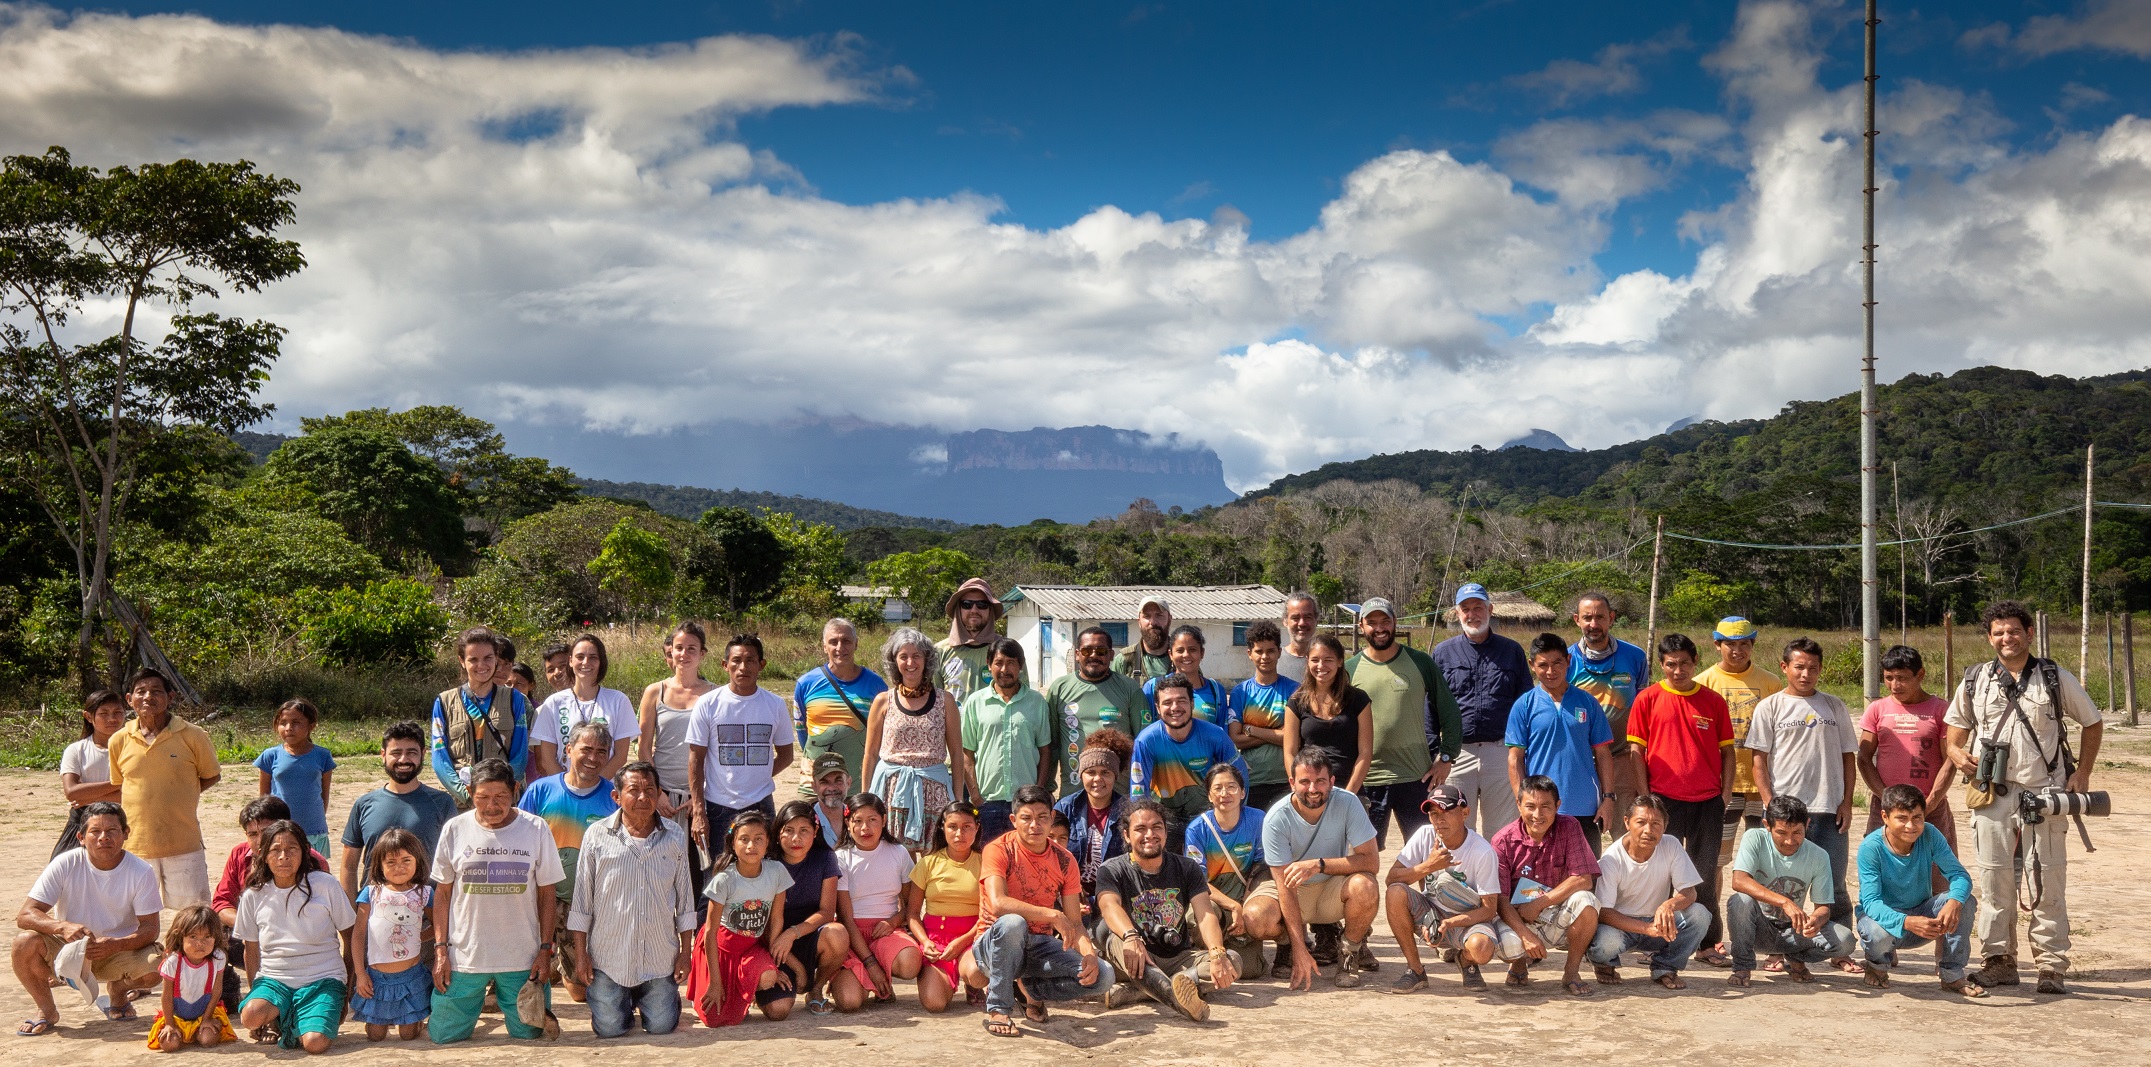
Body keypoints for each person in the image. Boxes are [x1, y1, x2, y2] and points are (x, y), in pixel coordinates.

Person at [1943, 600, 2103, 993]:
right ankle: (1999, 961)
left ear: (2029, 633)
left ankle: (2051, 967)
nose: (2006, 638)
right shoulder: (1976, 679)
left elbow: (2092, 721)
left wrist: (2082, 772)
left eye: (2013, 630)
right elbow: (1955, 727)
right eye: (1998, 632)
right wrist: (1955, 752)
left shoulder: (2053, 677)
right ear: (1989, 638)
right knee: (1993, 878)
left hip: (2044, 792)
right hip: (1991, 794)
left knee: (2047, 879)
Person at [427, 759, 564, 1044]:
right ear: (469, 792)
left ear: (515, 790)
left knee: (528, 1034)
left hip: (522, 958)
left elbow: (547, 894)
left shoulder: (536, 829)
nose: (492, 805)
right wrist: (440, 951)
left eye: (501, 796)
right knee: (444, 1036)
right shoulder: (455, 829)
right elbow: (442, 894)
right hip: (465, 956)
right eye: (483, 797)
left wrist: (545, 950)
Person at [1744, 636, 1859, 966]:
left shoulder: (1835, 706)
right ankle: (1778, 947)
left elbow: (1848, 757)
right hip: (1787, 815)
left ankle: (1839, 950)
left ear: (1820, 670)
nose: (1805, 674)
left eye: (1813, 668)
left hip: (1828, 809)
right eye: (1799, 667)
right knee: (1780, 885)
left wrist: (1846, 802)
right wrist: (1770, 804)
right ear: (1785, 667)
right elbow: (1759, 761)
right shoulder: (1770, 707)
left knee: (1834, 884)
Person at [1624, 633, 1734, 957]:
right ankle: (1656, 939)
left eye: (1684, 663)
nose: (1678, 670)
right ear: (1661, 664)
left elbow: (1728, 752)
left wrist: (1725, 794)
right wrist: (1646, 799)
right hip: (1663, 801)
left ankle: (1708, 943)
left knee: (1703, 874)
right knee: (1660, 876)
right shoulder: (1647, 699)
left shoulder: (1713, 701)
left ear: (1695, 662)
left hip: (1707, 802)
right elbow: (1636, 752)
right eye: (1671, 664)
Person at [11, 802, 163, 1035]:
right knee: (23, 943)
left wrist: (115, 944)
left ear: (125, 834)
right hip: (69, 950)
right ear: (81, 837)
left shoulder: (141, 871)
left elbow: (150, 928)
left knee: (158, 966)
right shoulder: (65, 863)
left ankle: (118, 992)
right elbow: (25, 914)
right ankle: (46, 1010)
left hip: (119, 952)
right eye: (95, 831)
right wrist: (62, 927)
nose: (104, 838)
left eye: (112, 830)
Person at [974, 784, 1113, 1038]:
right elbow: (998, 903)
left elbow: (1075, 923)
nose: (1034, 825)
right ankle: (998, 1008)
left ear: (1052, 818)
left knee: (1104, 976)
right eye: (1026, 818)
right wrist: (1051, 914)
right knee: (1013, 923)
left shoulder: (1064, 859)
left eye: (1042, 818)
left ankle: (1031, 990)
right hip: (994, 946)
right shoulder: (998, 849)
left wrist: (1089, 954)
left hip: (1038, 947)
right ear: (1014, 820)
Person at [1246, 749, 1381, 990]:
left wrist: (1319, 864)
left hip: (1331, 885)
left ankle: (1349, 951)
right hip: (1293, 889)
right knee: (1255, 918)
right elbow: (1284, 887)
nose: (1313, 789)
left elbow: (1371, 862)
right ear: (1292, 783)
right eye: (1304, 781)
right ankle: (1288, 944)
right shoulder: (1276, 818)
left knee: (1366, 886)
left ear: (1331, 781)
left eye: (1320, 781)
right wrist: (1299, 948)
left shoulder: (1348, 802)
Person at [1095, 799, 1237, 1022]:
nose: (1150, 834)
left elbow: (1205, 913)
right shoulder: (1112, 869)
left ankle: (1140, 992)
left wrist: (1217, 952)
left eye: (1157, 827)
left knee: (1232, 961)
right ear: (1126, 836)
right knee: (1119, 942)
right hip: (1133, 954)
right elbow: (1108, 906)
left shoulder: (1187, 867)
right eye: (1140, 829)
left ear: (1166, 832)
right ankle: (1182, 1002)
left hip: (1177, 956)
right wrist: (1131, 936)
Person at [1693, 615, 1782, 965]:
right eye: (1730, 643)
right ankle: (1711, 937)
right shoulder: (1702, 682)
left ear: (1753, 645)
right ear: (1717, 645)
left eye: (1744, 643)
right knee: (1714, 863)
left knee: (1768, 864)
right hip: (1722, 789)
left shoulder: (1771, 683)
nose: (1737, 650)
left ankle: (1773, 943)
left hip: (1763, 788)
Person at [1344, 597, 1462, 850]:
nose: (1379, 628)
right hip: (1369, 779)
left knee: (1425, 852)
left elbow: (1450, 711)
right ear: (1361, 627)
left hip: (1416, 777)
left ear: (1395, 622)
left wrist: (1446, 757)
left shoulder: (1420, 662)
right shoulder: (1349, 670)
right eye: (1372, 622)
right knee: (1365, 856)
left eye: (1385, 621)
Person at [232, 819, 358, 1054]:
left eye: (292, 849)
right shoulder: (253, 895)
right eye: (275, 850)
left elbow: (351, 938)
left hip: (323, 978)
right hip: (275, 979)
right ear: (263, 855)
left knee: (315, 1044)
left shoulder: (325, 885)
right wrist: (256, 991)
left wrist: (346, 992)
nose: (283, 857)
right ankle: (279, 1016)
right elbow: (251, 950)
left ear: (304, 852)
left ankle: (291, 1019)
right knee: (250, 1016)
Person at [1383, 783, 1519, 994]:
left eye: (1446, 811)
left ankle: (1465, 960)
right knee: (1395, 892)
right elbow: (1391, 878)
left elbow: (1489, 909)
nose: (1439, 819)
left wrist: (1450, 923)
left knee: (1482, 949)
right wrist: (1428, 866)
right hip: (1430, 913)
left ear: (1465, 813)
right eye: (1434, 813)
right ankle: (1415, 969)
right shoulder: (1424, 835)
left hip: (1468, 917)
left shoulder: (1482, 851)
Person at [516, 722, 618, 1003]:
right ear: (569, 750)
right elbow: (518, 839)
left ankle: (563, 964)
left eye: (601, 751)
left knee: (579, 992)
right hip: (540, 897)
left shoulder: (614, 797)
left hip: (586, 902)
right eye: (586, 749)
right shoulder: (540, 790)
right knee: (527, 972)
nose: (593, 758)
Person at [108, 667, 221, 911]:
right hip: (135, 845)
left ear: (170, 697)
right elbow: (120, 783)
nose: (148, 696)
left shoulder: (193, 735)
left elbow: (212, 775)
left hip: (184, 844)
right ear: (129, 699)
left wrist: (183, 792)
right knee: (133, 914)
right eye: (141, 691)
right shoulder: (119, 739)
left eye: (156, 691)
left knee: (193, 914)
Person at [1856, 785, 1984, 997]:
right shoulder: (1871, 847)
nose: (1910, 826)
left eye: (1917, 818)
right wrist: (1906, 921)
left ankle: (1952, 975)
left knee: (1965, 900)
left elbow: (1960, 875)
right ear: (1885, 817)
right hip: (1885, 922)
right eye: (1902, 818)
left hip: (1922, 919)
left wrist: (1954, 901)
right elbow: (1871, 903)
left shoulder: (1930, 834)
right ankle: (1877, 966)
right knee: (1876, 933)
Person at [1432, 583, 1531, 839]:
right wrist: (1436, 754)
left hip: (1501, 752)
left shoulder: (1512, 651)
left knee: (1501, 832)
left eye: (1478, 607)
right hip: (1456, 754)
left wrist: (1522, 753)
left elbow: (1525, 705)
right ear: (1457, 613)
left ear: (1490, 609)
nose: (1472, 614)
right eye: (1466, 609)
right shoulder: (1442, 653)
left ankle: (1497, 868)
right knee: (1454, 829)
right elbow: (1430, 706)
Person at [1490, 775, 1603, 998]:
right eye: (1530, 806)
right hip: (1517, 916)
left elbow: (1583, 878)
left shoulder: (1569, 827)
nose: (1538, 815)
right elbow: (1500, 900)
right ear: (1518, 805)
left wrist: (1540, 903)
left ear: (1557, 806)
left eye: (1545, 806)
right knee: (1509, 946)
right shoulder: (1502, 840)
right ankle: (1518, 963)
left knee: (1587, 902)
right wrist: (1525, 935)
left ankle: (1571, 972)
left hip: (1556, 913)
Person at [687, 633, 796, 862]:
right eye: (736, 661)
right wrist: (699, 810)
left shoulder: (775, 705)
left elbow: (786, 755)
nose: (743, 667)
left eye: (750, 660)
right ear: (725, 665)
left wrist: (757, 776)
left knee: (763, 869)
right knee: (718, 873)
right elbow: (696, 759)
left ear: (761, 665)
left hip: (761, 803)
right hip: (718, 806)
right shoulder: (708, 704)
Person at [1724, 796, 1853, 986]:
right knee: (1740, 901)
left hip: (1794, 931)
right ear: (1767, 825)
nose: (1789, 840)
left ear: (1807, 824)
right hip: (1758, 929)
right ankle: (1742, 966)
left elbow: (1823, 908)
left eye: (1797, 832)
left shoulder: (1819, 855)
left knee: (1845, 941)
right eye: (1781, 832)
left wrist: (1815, 921)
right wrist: (1784, 902)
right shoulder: (1755, 838)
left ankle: (1795, 958)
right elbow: (1739, 881)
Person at [1585, 795, 1710, 989]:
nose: (1648, 830)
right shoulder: (1612, 859)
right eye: (1641, 822)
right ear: (1627, 822)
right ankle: (1604, 964)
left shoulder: (1671, 845)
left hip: (1658, 923)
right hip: (1621, 926)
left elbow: (1689, 892)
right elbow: (1605, 912)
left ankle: (1666, 967)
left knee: (1700, 914)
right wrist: (1645, 928)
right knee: (1605, 943)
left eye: (1656, 824)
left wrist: (1669, 905)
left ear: (1665, 826)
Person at [1505, 634, 1617, 848]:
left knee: (1586, 869)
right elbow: (1515, 759)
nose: (1551, 671)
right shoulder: (1524, 706)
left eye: (1557, 663)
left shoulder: (1588, 702)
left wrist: (1608, 799)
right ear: (1532, 665)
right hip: (1541, 810)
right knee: (1540, 870)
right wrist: (1523, 802)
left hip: (1585, 807)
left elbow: (1603, 754)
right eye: (1543, 665)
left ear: (1568, 661)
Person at [863, 627, 964, 848]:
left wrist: (957, 799)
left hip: (935, 790)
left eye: (916, 655)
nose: (910, 662)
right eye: (903, 656)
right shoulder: (883, 701)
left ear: (926, 660)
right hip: (891, 790)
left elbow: (957, 754)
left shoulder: (945, 701)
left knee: (935, 854)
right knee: (896, 855)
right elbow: (870, 754)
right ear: (894, 661)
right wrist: (865, 799)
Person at [693, 812, 797, 1026]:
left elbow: (776, 919)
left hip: (751, 948)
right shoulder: (724, 880)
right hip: (721, 949)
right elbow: (710, 932)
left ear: (768, 842)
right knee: (714, 1019)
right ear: (733, 843)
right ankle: (727, 990)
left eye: (758, 839)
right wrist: (715, 982)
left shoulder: (776, 871)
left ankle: (750, 990)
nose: (751, 845)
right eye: (744, 839)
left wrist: (771, 964)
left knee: (767, 977)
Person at [338, 721, 460, 902]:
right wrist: (351, 913)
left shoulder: (442, 803)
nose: (403, 759)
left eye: (411, 752)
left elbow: (455, 865)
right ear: (383, 755)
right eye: (396, 753)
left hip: (426, 913)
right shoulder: (364, 804)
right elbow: (348, 867)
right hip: (374, 912)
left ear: (423, 754)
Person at [1130, 672, 1248, 852]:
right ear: (1157, 708)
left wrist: (1233, 818)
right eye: (1167, 702)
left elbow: (1240, 778)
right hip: (1165, 822)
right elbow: (1138, 792)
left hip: (1208, 819)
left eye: (1181, 701)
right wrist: (1146, 829)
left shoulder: (1215, 735)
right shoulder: (1146, 741)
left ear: (1192, 703)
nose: (1175, 707)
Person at [1857, 645, 1958, 852]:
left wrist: (1931, 802)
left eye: (1902, 678)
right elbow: (1864, 758)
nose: (1895, 685)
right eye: (1888, 678)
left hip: (1930, 808)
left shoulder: (1941, 710)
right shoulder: (1877, 709)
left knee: (1936, 866)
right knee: (1882, 862)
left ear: (1920, 675)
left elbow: (1950, 759)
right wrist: (1886, 798)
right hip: (1885, 808)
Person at [828, 794, 923, 1012]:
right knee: (850, 1002)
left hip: (886, 932)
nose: (865, 828)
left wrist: (892, 922)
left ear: (884, 820)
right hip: (852, 935)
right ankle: (866, 976)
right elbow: (846, 919)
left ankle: (882, 977)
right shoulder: (840, 858)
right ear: (847, 823)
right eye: (858, 821)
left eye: (872, 820)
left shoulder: (898, 853)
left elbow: (910, 906)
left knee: (910, 963)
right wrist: (870, 964)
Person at [960, 639, 1054, 843]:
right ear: (989, 665)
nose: (1004, 669)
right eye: (999, 663)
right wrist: (975, 796)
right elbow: (966, 753)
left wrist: (1038, 790)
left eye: (1011, 663)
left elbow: (1045, 750)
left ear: (1020, 666)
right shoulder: (975, 702)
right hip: (987, 802)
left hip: (1025, 803)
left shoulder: (1036, 702)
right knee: (988, 857)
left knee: (1025, 858)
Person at [1567, 592, 1650, 821]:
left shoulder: (1635, 656)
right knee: (1581, 830)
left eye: (1600, 617)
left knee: (1625, 828)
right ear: (1577, 620)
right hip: (1581, 761)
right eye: (1587, 618)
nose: (1594, 624)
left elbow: (1643, 709)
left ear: (1611, 618)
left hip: (1622, 759)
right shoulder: (1566, 660)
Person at [1183, 762, 1271, 973]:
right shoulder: (1197, 830)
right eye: (1218, 788)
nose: (1225, 793)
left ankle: (1283, 946)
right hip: (1213, 901)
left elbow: (1262, 867)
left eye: (1231, 787)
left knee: (1249, 970)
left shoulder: (1258, 819)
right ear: (1209, 795)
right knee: (1200, 913)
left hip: (1245, 898)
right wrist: (1233, 906)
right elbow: (1198, 882)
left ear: (1242, 792)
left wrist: (1246, 904)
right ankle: (1208, 950)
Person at [428, 628, 532, 807]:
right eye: (473, 659)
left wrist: (497, 794)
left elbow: (520, 755)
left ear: (496, 658)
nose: (481, 665)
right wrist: (468, 795)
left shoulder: (514, 699)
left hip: (502, 803)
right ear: (462, 661)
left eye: (488, 658)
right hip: (461, 804)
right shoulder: (444, 702)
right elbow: (440, 758)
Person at [348, 829, 434, 1041]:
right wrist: (360, 973)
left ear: (417, 861)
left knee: (408, 1035)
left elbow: (439, 926)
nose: (399, 867)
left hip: (411, 976)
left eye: (406, 860)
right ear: (380, 865)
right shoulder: (371, 893)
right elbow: (358, 935)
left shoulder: (424, 893)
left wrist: (418, 938)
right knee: (376, 1036)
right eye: (391, 862)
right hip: (377, 979)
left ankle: (416, 1022)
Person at [905, 803, 990, 1012]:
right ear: (942, 828)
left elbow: (989, 913)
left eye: (967, 827)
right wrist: (925, 942)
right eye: (953, 826)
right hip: (936, 940)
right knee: (934, 1004)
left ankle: (971, 984)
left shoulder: (986, 863)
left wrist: (964, 941)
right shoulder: (928, 863)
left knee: (977, 975)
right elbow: (913, 913)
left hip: (972, 937)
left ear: (977, 828)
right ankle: (942, 980)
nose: (959, 834)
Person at [1044, 626, 1148, 795]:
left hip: (1119, 794)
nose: (1093, 656)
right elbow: (1052, 745)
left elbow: (1144, 744)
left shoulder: (1130, 689)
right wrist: (1048, 789)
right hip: (1074, 793)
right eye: (1087, 651)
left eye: (1101, 651)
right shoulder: (1059, 689)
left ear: (1111, 655)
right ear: (1077, 654)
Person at [792, 618, 889, 796]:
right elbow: (802, 732)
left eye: (846, 641)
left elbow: (883, 735)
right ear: (824, 646)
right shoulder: (806, 684)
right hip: (814, 785)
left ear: (856, 644)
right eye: (833, 641)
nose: (839, 647)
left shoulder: (875, 684)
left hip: (859, 786)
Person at [769, 800, 847, 1015]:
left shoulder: (825, 858)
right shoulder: (768, 862)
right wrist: (798, 968)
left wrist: (792, 933)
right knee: (777, 1010)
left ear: (815, 832)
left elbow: (826, 912)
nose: (796, 838)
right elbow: (765, 924)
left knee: (837, 933)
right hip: (771, 940)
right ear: (778, 833)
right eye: (789, 830)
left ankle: (816, 988)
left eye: (804, 830)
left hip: (807, 934)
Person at [635, 620, 717, 823]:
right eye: (679, 648)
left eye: (691, 649)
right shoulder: (655, 692)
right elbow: (643, 748)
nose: (684, 654)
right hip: (662, 794)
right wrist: (656, 791)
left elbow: (719, 750)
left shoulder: (715, 694)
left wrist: (700, 796)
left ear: (702, 653)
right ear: (671, 651)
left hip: (703, 794)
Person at [213, 797, 328, 936]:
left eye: (267, 831)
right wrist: (251, 925)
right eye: (253, 834)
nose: (260, 840)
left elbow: (322, 913)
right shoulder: (239, 854)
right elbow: (222, 902)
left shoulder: (313, 861)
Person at [531, 634, 634, 780]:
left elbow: (620, 756)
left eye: (593, 657)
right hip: (564, 789)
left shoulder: (618, 701)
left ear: (601, 662)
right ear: (570, 661)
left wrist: (594, 787)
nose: (586, 662)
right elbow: (547, 759)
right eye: (580, 657)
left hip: (605, 789)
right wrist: (568, 787)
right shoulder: (553, 703)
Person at [1283, 635, 1373, 792]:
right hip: (1310, 791)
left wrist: (1348, 795)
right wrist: (1301, 789)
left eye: (1328, 660)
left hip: (1349, 789)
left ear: (1340, 661)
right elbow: (1289, 752)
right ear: (1307, 661)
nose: (1321, 666)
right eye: (1315, 660)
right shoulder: (1296, 702)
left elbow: (1365, 753)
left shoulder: (1359, 699)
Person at [1056, 730, 1133, 909]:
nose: (1097, 779)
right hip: (1067, 895)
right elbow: (1049, 855)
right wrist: (1070, 891)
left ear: (1115, 776)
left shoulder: (1128, 812)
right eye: (1091, 772)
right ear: (1081, 775)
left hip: (1115, 897)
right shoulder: (1065, 808)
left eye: (1105, 772)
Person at [1227, 619, 1299, 811]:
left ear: (1279, 652)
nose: (1265, 657)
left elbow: (1294, 738)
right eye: (1259, 651)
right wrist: (1278, 733)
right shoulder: (1240, 693)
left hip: (1286, 780)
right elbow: (1235, 739)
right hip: (1251, 781)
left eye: (1270, 651)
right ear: (1249, 654)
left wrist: (1251, 730)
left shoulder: (1294, 690)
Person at [254, 699, 337, 859]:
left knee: (315, 872)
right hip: (279, 829)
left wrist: (316, 820)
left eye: (296, 722)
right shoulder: (270, 756)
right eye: (283, 723)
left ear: (311, 726)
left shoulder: (323, 756)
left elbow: (324, 795)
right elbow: (264, 798)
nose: (288, 728)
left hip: (313, 830)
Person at [146, 905, 233, 1051]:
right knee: (169, 1045)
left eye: (207, 937)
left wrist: (207, 1019)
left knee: (208, 1040)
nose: (200, 943)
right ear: (180, 937)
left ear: (216, 937)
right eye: (193, 937)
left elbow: (217, 991)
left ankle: (197, 1032)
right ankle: (181, 1032)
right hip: (176, 1017)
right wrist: (169, 1024)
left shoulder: (218, 958)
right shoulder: (173, 961)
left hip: (204, 1014)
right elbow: (167, 996)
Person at [53, 690, 125, 860]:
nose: (112, 719)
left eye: (117, 712)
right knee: (63, 868)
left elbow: (137, 794)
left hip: (122, 822)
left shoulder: (133, 750)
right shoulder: (76, 750)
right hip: (83, 822)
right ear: (88, 716)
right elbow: (72, 792)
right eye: (104, 714)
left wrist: (88, 798)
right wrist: (118, 784)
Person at [939, 578, 1009, 704]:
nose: (974, 610)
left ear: (990, 609)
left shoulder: (1008, 650)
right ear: (958, 609)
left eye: (982, 605)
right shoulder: (939, 652)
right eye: (967, 604)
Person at [1142, 626, 1230, 725]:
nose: (1186, 655)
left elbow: (1222, 732)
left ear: (1202, 653)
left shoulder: (1216, 691)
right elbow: (1145, 729)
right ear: (1170, 654)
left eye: (1192, 650)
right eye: (1180, 650)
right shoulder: (1153, 687)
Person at [1115, 595, 1175, 684]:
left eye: (1159, 615)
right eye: (1147, 616)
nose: (1153, 622)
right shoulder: (1124, 660)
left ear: (1169, 620)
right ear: (1139, 622)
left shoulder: (1182, 658)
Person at [1277, 592, 1320, 683]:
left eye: (1308, 617)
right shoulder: (1273, 661)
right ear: (1285, 621)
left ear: (1316, 620)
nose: (1302, 623)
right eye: (1295, 618)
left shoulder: (1327, 663)